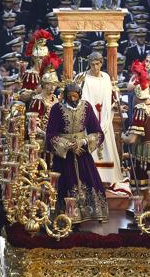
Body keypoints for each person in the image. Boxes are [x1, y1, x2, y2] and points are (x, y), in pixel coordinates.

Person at [45, 83, 109, 223]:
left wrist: (84, 142)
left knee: (89, 181)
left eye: (76, 96)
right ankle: (64, 214)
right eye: (70, 96)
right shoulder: (57, 109)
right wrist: (67, 145)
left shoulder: (86, 107)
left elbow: (98, 132)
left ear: (80, 95)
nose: (73, 99)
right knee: (64, 184)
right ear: (65, 96)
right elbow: (50, 135)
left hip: (82, 152)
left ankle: (92, 212)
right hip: (64, 157)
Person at [74, 52, 124, 186]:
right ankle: (90, 177)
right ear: (88, 64)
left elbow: (110, 97)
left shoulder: (106, 77)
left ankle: (107, 178)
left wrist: (114, 106)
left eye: (98, 64)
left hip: (105, 117)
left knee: (106, 147)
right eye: (92, 64)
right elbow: (75, 97)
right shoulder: (82, 78)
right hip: (88, 118)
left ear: (102, 63)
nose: (95, 67)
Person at [122, 61, 150, 201]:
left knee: (141, 187)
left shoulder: (140, 109)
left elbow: (133, 139)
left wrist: (122, 136)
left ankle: (142, 214)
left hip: (144, 152)